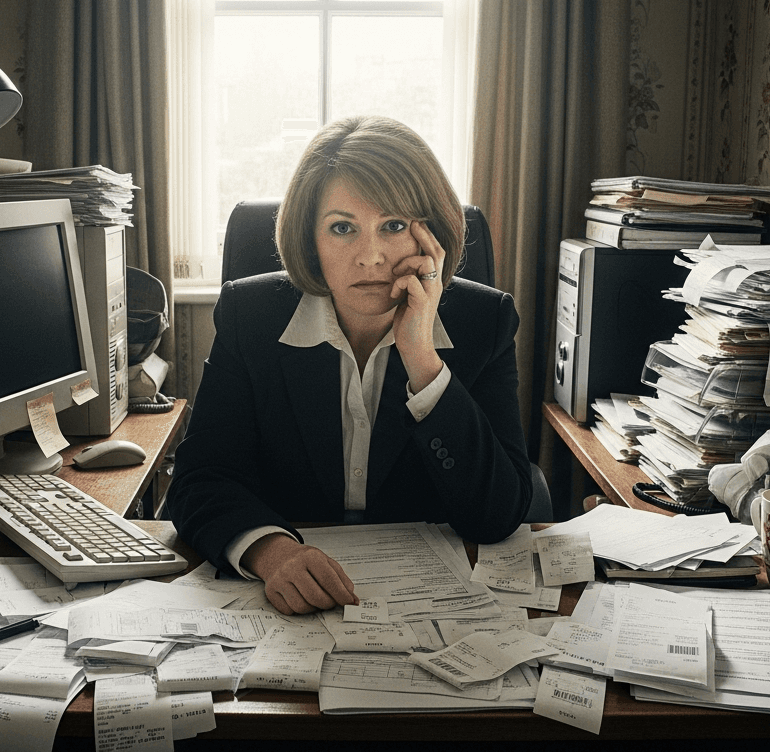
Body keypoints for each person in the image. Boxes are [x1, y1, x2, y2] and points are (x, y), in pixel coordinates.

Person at [164, 116, 532, 616]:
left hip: (429, 606)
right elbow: (201, 476)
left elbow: (498, 515)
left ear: (433, 237)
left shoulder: (482, 322)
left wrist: (422, 359)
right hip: (281, 604)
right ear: (310, 238)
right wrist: (271, 553)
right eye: (343, 228)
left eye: (394, 225)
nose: (371, 257)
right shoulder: (250, 316)